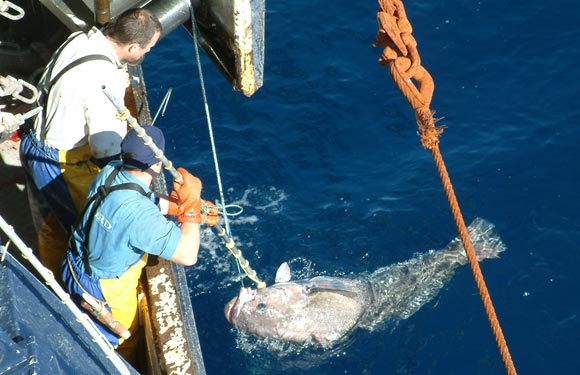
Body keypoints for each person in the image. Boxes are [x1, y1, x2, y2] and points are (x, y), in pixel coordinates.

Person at [19, 8, 162, 277]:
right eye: (148, 48)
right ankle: (72, 285)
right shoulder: (105, 81)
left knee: (53, 220)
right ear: (132, 47)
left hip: (33, 141)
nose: (148, 53)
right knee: (85, 230)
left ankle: (53, 269)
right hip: (57, 163)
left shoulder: (83, 40)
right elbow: (104, 150)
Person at [62, 125, 219, 364]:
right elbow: (188, 255)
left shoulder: (113, 171)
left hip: (74, 264)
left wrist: (182, 207)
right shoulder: (139, 216)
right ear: (158, 164)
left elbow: (142, 196)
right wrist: (191, 214)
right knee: (119, 342)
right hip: (106, 291)